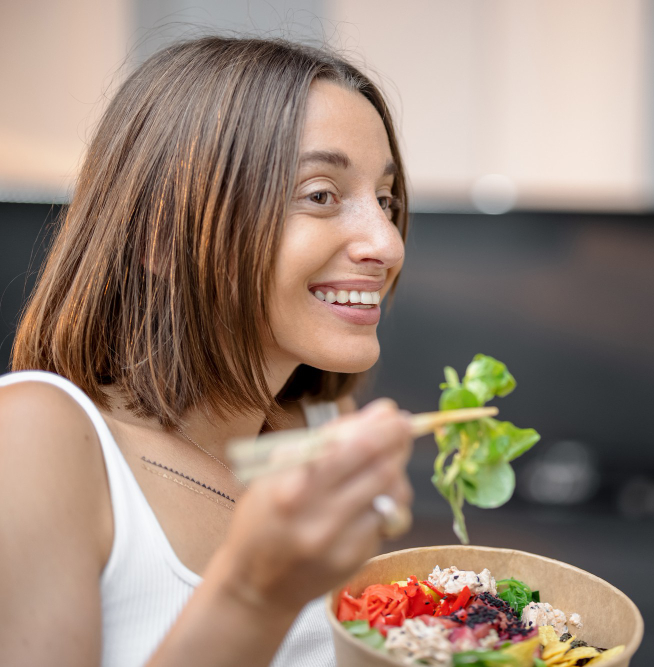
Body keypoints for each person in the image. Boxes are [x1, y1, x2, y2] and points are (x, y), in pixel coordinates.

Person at [0, 36, 414, 666]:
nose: (386, 244)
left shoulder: (323, 437)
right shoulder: (35, 434)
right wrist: (253, 593)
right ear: (164, 236)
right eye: (321, 195)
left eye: (385, 200)